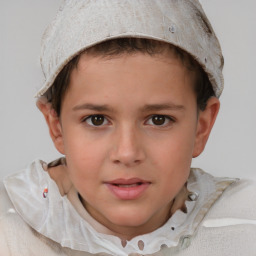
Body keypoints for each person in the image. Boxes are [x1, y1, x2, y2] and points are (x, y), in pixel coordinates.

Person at [0, 0, 255, 255]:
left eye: (158, 119)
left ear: (202, 127)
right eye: (97, 120)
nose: (127, 153)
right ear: (56, 127)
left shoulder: (245, 227)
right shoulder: (9, 234)